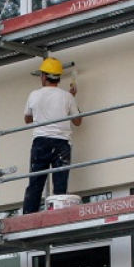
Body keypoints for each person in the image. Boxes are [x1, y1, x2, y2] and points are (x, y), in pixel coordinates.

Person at [22, 57, 81, 214]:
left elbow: (27, 119)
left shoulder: (34, 95)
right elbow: (77, 121)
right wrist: (72, 99)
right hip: (61, 144)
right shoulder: (67, 97)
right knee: (60, 185)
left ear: (43, 76)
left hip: (40, 142)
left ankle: (28, 216)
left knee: (35, 183)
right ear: (58, 77)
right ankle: (58, 216)